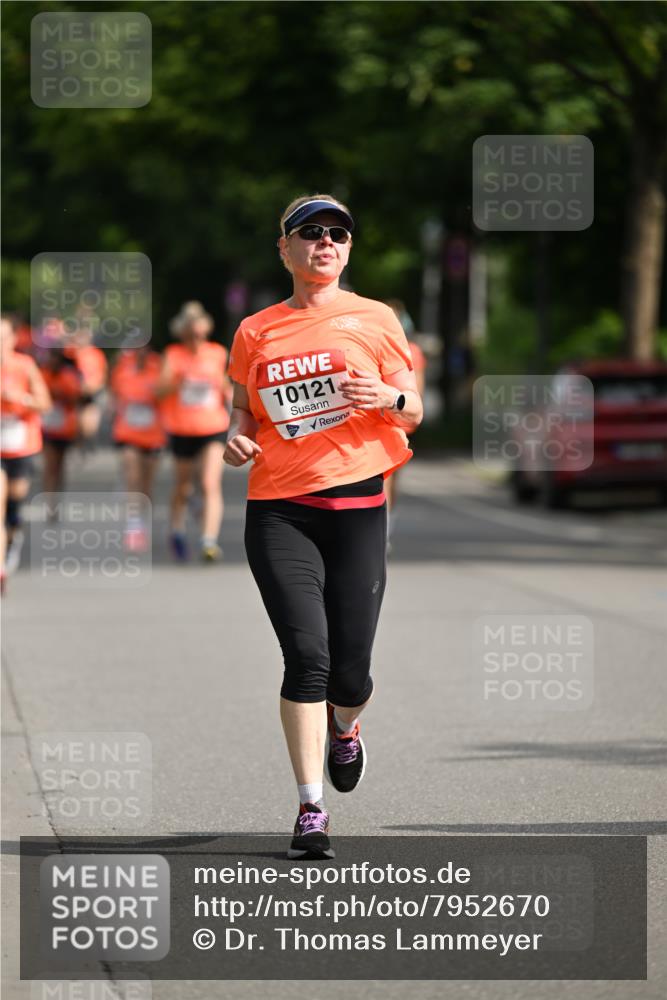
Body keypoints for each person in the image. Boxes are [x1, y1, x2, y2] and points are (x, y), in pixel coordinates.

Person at [224, 194, 423, 859]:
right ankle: (311, 808)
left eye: (338, 232)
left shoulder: (375, 318)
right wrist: (235, 437)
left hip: (358, 508)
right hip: (279, 511)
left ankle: (346, 727)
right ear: (284, 248)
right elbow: (243, 411)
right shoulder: (256, 330)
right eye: (311, 232)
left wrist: (390, 397)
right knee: (307, 657)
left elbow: (413, 409)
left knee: (351, 674)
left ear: (348, 249)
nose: (326, 241)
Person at [158, 301, 231, 562]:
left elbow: (226, 385)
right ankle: (177, 530)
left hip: (213, 426)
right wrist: (179, 381)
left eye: (200, 335)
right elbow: (159, 391)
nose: (196, 340)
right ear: (182, 334)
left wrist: (227, 391)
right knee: (183, 487)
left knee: (210, 482)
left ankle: (208, 541)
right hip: (182, 428)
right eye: (191, 335)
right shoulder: (173, 355)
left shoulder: (217, 353)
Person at [0, 314, 51, 590]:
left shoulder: (25, 365)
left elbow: (45, 403)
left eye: (3, 337)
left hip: (21, 444)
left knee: (14, 503)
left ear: (12, 339)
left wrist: (20, 398)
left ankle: (13, 537)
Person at [110, 344, 166, 551]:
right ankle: (133, 525)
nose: (141, 352)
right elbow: (115, 394)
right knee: (133, 478)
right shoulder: (122, 368)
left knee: (146, 484)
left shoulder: (159, 367)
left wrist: (156, 393)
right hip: (128, 433)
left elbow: (167, 394)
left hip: (153, 435)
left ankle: (143, 521)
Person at [383, 300, 427, 518]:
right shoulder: (373, 341)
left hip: (397, 417)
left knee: (390, 474)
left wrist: (404, 408)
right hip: (381, 419)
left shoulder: (411, 350)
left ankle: (386, 519)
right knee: (386, 474)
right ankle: (386, 520)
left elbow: (417, 388)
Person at [39, 347, 84, 496]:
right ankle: (49, 497)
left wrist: (62, 395)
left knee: (59, 464)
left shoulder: (68, 377)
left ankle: (57, 492)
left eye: (55, 358)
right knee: (50, 464)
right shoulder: (42, 374)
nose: (52, 362)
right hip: (46, 426)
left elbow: (76, 399)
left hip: (64, 428)